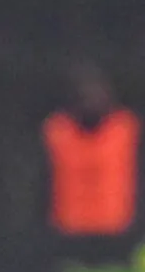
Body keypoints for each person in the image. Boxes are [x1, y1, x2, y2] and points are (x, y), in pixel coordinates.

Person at [42, 61, 140, 236]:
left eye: (96, 93)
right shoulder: (57, 132)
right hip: (68, 230)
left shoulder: (126, 129)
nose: (90, 100)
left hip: (118, 231)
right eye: (83, 96)